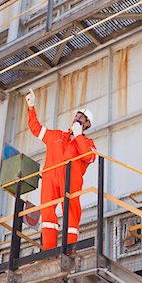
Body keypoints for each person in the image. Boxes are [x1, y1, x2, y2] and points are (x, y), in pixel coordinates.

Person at [26, 88, 96, 250]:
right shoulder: (56, 136)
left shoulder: (88, 143)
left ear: (87, 125)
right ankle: (49, 251)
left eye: (82, 118)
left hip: (71, 181)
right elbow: (36, 128)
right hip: (50, 178)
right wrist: (31, 108)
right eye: (77, 116)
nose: (77, 119)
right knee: (47, 213)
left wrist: (78, 137)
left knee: (71, 214)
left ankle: (69, 251)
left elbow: (89, 157)